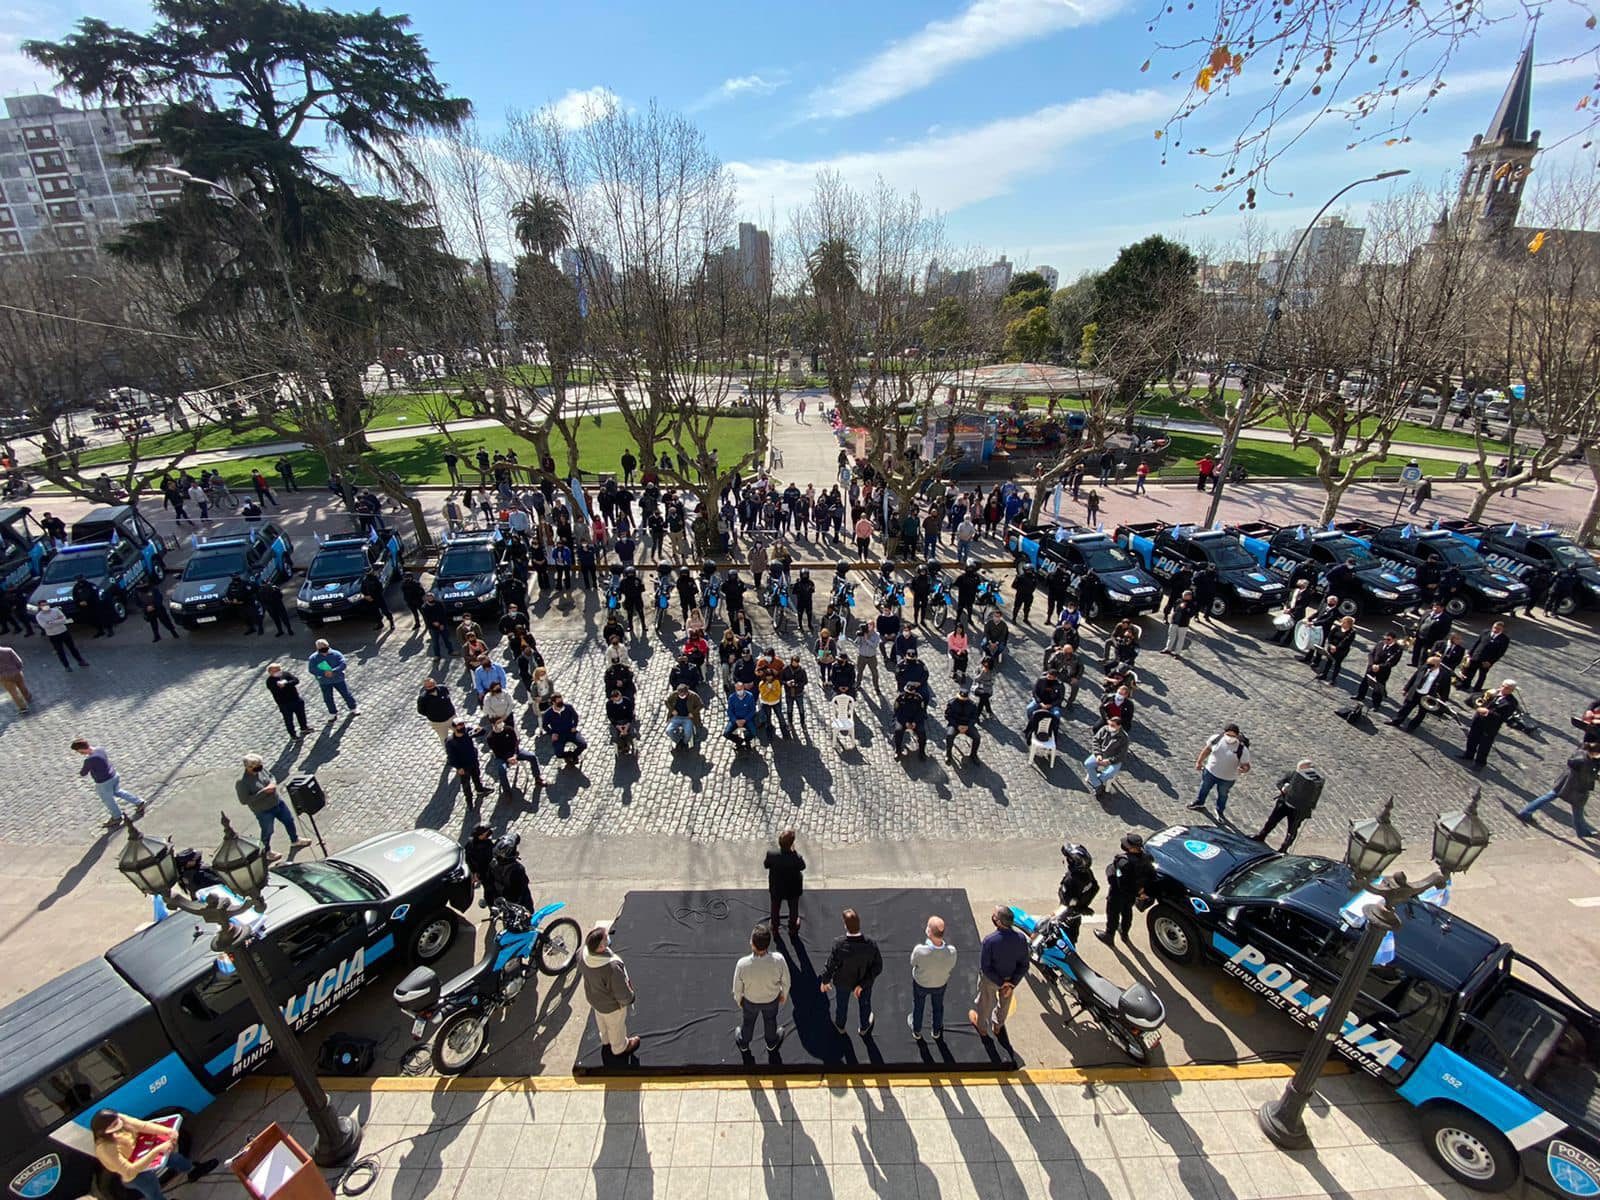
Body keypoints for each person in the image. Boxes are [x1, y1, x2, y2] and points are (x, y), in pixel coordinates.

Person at [91, 1108, 217, 1200]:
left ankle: (193, 1170)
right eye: (115, 1125)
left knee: (174, 1158)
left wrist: (168, 1131)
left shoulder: (118, 1119)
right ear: (104, 1130)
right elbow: (129, 1170)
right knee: (153, 1190)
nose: (119, 1124)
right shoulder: (105, 1149)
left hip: (142, 1151)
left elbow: (142, 1126)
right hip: (134, 1174)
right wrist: (157, 1151)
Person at [234, 754, 311, 861]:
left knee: (289, 820)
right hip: (263, 810)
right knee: (268, 831)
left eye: (260, 765)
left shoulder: (261, 770)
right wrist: (264, 792)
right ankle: (266, 852)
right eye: (256, 766)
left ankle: (295, 840)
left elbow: (271, 777)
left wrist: (273, 784)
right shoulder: (242, 782)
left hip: (277, 802)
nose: (260, 768)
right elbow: (244, 800)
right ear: (248, 767)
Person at [819, 908, 883, 1036]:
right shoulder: (871, 944)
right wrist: (863, 984)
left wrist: (825, 981)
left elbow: (830, 965)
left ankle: (840, 1025)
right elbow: (878, 967)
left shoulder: (839, 944)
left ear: (845, 926)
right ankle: (864, 1027)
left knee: (841, 1006)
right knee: (865, 1005)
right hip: (863, 982)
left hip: (843, 982)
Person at [581, 922, 640, 1059]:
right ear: (601, 947)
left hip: (594, 999)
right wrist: (630, 998)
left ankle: (605, 1039)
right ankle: (619, 1047)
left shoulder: (582, 956)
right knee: (616, 1027)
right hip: (611, 1005)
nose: (608, 938)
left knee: (601, 1021)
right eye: (606, 938)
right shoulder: (611, 967)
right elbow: (621, 992)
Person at [732, 923, 790, 1052]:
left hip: (750, 1001)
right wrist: (783, 996)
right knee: (770, 1021)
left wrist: (739, 1000)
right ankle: (771, 1043)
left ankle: (744, 1043)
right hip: (771, 1000)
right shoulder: (779, 960)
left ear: (752, 943)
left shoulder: (742, 964)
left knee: (748, 1023)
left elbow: (737, 987)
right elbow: (786, 981)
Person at [1519, 744, 1599, 838]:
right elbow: (1587, 778)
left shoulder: (1581, 751)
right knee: (1578, 809)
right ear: (1595, 753)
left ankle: (1525, 812)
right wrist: (1596, 775)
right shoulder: (1587, 763)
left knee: (1549, 796)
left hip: (1565, 781)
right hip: (1576, 788)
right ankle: (1582, 832)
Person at [971, 906, 1027, 1041]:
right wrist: (1011, 983)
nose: (993, 917)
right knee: (1004, 1004)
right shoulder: (1021, 939)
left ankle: (982, 1028)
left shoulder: (990, 941)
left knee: (984, 1003)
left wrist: (1001, 982)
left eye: (995, 916)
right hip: (1010, 979)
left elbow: (986, 967)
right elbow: (1024, 964)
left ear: (999, 922)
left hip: (991, 980)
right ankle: (998, 1026)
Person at [1097, 832, 1156, 947]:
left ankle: (1109, 936)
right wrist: (1141, 891)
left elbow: (1119, 882)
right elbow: (1152, 875)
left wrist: (1110, 872)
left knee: (1113, 914)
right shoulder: (1148, 857)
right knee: (1127, 911)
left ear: (1133, 848)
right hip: (1134, 894)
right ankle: (1125, 933)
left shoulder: (1123, 862)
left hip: (1119, 894)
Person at [74, 739, 145, 829]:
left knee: (108, 800)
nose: (79, 753)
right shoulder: (100, 749)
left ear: (81, 749)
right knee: (118, 791)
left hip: (104, 782)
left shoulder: (89, 760)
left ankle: (116, 817)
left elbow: (83, 773)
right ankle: (139, 802)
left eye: (78, 751)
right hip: (114, 775)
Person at [1462, 680, 1520, 770]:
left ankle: (1480, 763)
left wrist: (1487, 712)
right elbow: (1477, 697)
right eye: (1503, 686)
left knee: (1485, 744)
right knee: (1472, 737)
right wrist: (1477, 705)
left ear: (1512, 690)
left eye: (1507, 688)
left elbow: (1502, 717)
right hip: (1478, 720)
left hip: (1491, 725)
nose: (1503, 688)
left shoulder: (1511, 702)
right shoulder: (1493, 692)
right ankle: (1468, 755)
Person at [1389, 654, 1448, 733]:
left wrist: (1441, 701)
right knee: (1405, 708)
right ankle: (1396, 721)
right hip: (1415, 692)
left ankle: (1411, 728)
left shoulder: (1444, 675)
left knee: (1421, 714)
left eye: (1430, 664)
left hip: (1428, 696)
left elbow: (1445, 690)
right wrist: (1406, 689)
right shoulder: (1424, 667)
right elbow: (1414, 678)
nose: (1428, 666)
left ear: (1437, 665)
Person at [485, 716, 544, 791]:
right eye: (498, 722)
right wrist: (508, 759)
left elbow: (516, 743)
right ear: (493, 725)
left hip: (515, 753)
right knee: (501, 769)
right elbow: (497, 752)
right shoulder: (490, 738)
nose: (501, 723)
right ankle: (507, 791)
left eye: (501, 721)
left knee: (532, 756)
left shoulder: (509, 729)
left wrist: (515, 755)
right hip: (502, 757)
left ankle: (537, 778)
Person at [763, 829, 805, 933]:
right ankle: (792, 927)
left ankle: (775, 926)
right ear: (791, 843)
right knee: (793, 909)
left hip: (776, 887)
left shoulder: (771, 854)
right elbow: (802, 867)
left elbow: (766, 865)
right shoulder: (796, 858)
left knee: (775, 908)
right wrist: (794, 852)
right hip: (793, 888)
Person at [307, 640, 359, 718]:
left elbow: (343, 664)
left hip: (338, 679)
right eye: (321, 649)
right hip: (324, 682)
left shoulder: (336, 654)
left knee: (346, 694)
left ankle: (353, 708)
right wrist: (323, 673)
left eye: (325, 648)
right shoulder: (313, 658)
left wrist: (333, 671)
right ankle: (332, 713)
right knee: (328, 698)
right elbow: (312, 669)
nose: (324, 651)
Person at [1354, 632, 1405, 710]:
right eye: (1384, 638)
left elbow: (1392, 662)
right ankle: (1360, 696)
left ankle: (1376, 704)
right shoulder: (1380, 643)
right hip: (1372, 667)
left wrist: (1380, 667)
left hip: (1383, 671)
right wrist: (1372, 664)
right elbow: (1371, 654)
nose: (1385, 641)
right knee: (1365, 682)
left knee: (1378, 687)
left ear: (1394, 640)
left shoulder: (1397, 649)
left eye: (1388, 639)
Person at [1083, 715, 1129, 800]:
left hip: (1113, 760)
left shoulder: (1124, 738)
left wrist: (1109, 761)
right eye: (1109, 724)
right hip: (1101, 754)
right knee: (1088, 764)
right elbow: (1096, 741)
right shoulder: (1104, 729)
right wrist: (1098, 754)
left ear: (1119, 726)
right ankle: (1098, 785)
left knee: (1110, 772)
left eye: (1113, 726)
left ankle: (1097, 783)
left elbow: (1121, 755)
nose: (1110, 727)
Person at [35, 601, 86, 671]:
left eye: (46, 604)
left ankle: (80, 661)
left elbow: (64, 619)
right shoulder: (39, 616)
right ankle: (66, 666)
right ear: (40, 607)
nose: (45, 606)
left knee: (72, 648)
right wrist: (57, 621)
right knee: (60, 651)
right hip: (53, 635)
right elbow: (45, 626)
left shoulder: (56, 610)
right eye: (43, 605)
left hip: (64, 632)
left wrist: (51, 622)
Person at [265, 663, 311, 739]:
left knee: (301, 715)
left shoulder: (286, 674)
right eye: (275, 671)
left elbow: (296, 680)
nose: (278, 672)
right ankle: (293, 735)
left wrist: (286, 683)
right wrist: (283, 686)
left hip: (296, 699)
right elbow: (276, 690)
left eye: (279, 670)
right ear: (270, 672)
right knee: (289, 720)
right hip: (284, 704)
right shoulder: (270, 681)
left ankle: (304, 728)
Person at [1462, 621, 1510, 692]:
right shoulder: (1485, 632)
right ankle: (1465, 685)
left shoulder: (1504, 639)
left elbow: (1500, 653)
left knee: (1482, 676)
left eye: (1498, 629)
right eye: (1494, 627)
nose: (1495, 630)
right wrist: (1469, 653)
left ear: (1502, 630)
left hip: (1486, 661)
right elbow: (1477, 643)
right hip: (1476, 656)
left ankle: (1477, 689)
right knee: (1470, 672)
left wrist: (1490, 662)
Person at [490, 833, 534, 910]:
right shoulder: (518, 869)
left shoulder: (493, 864)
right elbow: (523, 885)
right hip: (519, 904)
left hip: (502, 900)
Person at [416, 677, 457, 745]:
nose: (431, 687)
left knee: (461, 732)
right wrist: (433, 714)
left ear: (435, 683)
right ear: (425, 687)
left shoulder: (443, 689)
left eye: (432, 685)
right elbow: (421, 711)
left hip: (451, 717)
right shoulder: (423, 698)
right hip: (438, 723)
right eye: (428, 686)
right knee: (444, 739)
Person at [1410, 602, 1452, 668]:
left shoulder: (1446, 619)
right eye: (1434, 607)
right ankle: (1414, 663)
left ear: (1442, 608)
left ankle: (1421, 666)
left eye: (1437, 608)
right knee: (1416, 650)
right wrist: (1416, 630)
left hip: (1430, 639)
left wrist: (1437, 640)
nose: (1435, 609)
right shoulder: (1427, 612)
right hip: (1420, 636)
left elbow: (1445, 631)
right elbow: (1420, 621)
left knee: (1424, 653)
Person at [1163, 589, 1196, 656]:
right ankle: (1168, 649)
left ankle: (1177, 653)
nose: (1183, 596)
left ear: (1189, 596)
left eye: (1185, 595)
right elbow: (1175, 609)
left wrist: (1185, 609)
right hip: (1174, 622)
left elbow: (1190, 614)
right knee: (1171, 636)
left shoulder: (1192, 604)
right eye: (1183, 594)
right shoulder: (1179, 601)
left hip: (1183, 624)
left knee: (1181, 639)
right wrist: (1180, 607)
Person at [0, 643, 29, 713]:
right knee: (22, 686)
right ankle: (27, 697)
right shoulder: (8, 650)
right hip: (16, 672)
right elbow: (19, 661)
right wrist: (18, 669)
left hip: (4, 677)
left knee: (13, 692)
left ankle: (23, 707)